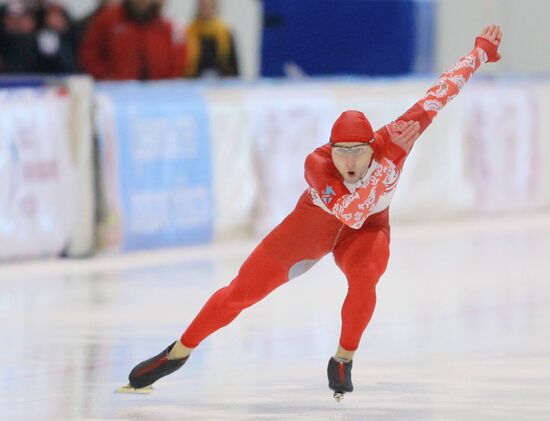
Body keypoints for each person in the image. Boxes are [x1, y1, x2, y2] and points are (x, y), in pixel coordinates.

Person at [124, 25, 503, 400]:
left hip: (367, 230)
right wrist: (388, 163)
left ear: (373, 144)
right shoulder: (318, 164)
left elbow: (441, 92)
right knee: (240, 293)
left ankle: (343, 358)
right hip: (312, 227)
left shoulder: (395, 136)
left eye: (359, 151)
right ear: (330, 148)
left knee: (365, 276)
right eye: (343, 151)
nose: (350, 161)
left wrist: (480, 52)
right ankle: (179, 351)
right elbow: (349, 211)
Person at [79, 0, 184, 80]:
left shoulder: (167, 26)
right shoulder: (109, 19)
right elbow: (90, 53)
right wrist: (106, 76)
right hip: (116, 90)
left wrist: (166, 81)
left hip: (157, 92)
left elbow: (179, 57)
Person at [183, 0, 239, 78]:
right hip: (194, 82)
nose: (205, 10)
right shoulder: (189, 33)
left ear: (215, 8)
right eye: (202, 6)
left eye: (209, 6)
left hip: (221, 83)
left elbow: (233, 67)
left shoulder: (225, 33)